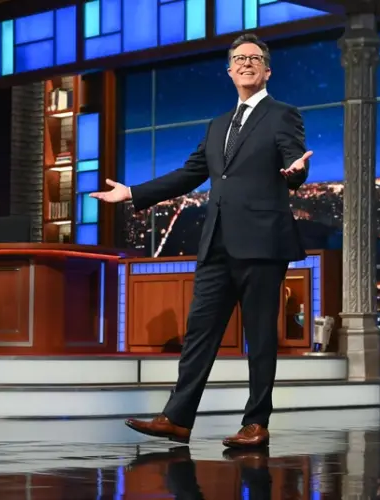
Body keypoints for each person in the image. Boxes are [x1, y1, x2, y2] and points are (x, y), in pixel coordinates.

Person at [90, 34, 313, 449]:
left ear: (267, 71)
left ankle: (256, 423)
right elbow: (189, 174)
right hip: (217, 244)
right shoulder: (217, 126)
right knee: (199, 333)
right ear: (229, 71)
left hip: (263, 242)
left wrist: (296, 173)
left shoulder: (283, 114)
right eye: (239, 58)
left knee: (260, 336)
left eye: (254, 58)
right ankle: (177, 419)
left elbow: (293, 159)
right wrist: (133, 193)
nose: (246, 63)